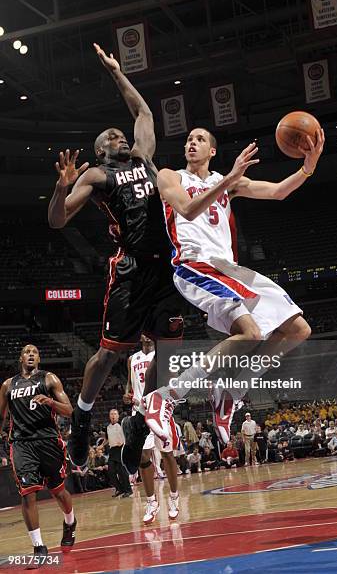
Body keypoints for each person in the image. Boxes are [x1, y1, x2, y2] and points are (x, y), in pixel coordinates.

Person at [143, 125, 324, 445]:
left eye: (199, 139)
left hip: (230, 270)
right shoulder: (171, 176)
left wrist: (307, 168)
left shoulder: (225, 182)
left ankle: (232, 392)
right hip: (193, 265)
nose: (191, 143)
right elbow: (186, 208)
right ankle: (166, 396)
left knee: (298, 330)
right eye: (188, 140)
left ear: (212, 151)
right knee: (250, 333)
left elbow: (278, 191)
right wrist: (229, 180)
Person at [47, 43, 183, 469]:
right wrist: (60, 187)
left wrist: (116, 72)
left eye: (121, 135)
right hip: (131, 270)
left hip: (169, 268)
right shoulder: (98, 175)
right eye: (111, 137)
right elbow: (57, 221)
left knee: (169, 353)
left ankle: (143, 421)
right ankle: (83, 418)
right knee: (108, 356)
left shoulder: (144, 159)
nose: (120, 137)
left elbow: (143, 114)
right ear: (101, 150)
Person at [0, 345, 76, 561]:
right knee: (27, 494)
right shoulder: (8, 385)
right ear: (21, 358)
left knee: (58, 491)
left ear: (39, 358)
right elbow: (1, 417)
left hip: (48, 441)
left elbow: (70, 411)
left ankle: (70, 522)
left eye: (35, 351)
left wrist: (50, 401)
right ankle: (39, 547)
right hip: (22, 444)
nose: (31, 354)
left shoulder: (49, 379)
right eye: (27, 351)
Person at [124, 337, 180, 524]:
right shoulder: (132, 359)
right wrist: (128, 394)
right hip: (139, 410)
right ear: (140, 336)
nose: (147, 336)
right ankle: (151, 501)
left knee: (167, 455)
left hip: (159, 408)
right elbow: (130, 383)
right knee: (142, 456)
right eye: (144, 333)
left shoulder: (162, 355)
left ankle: (174, 496)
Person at [105, 409, 132, 498]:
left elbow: (129, 435)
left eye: (115, 414)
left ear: (118, 416)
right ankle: (119, 489)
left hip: (121, 449)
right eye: (111, 414)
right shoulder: (108, 427)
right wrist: (101, 445)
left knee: (122, 471)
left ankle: (128, 490)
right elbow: (107, 439)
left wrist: (124, 442)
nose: (113, 416)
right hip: (112, 450)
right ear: (109, 416)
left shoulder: (122, 425)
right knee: (111, 471)